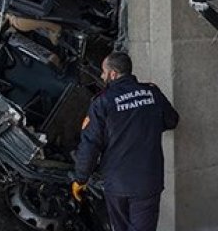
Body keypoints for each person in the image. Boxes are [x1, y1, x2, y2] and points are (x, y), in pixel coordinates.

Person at [72, 51, 179, 231]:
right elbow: (172, 120)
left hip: (117, 183)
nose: (101, 76)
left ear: (113, 74)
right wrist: (146, 125)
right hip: (148, 180)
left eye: (103, 72)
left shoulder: (102, 102)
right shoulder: (151, 92)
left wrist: (81, 179)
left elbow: (90, 144)